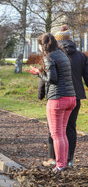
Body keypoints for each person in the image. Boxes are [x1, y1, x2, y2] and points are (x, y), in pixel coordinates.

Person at [28, 33, 76, 172]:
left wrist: (38, 73)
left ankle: (60, 165)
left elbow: (52, 79)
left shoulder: (48, 57)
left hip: (57, 99)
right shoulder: (62, 54)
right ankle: (64, 163)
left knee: (56, 134)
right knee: (63, 133)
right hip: (70, 98)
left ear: (42, 46)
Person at [51, 26, 88, 167]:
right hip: (75, 96)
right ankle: (69, 159)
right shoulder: (81, 56)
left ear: (57, 40)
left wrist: (41, 92)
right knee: (70, 128)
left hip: (58, 95)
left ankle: (54, 159)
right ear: (70, 39)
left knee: (55, 129)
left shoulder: (54, 55)